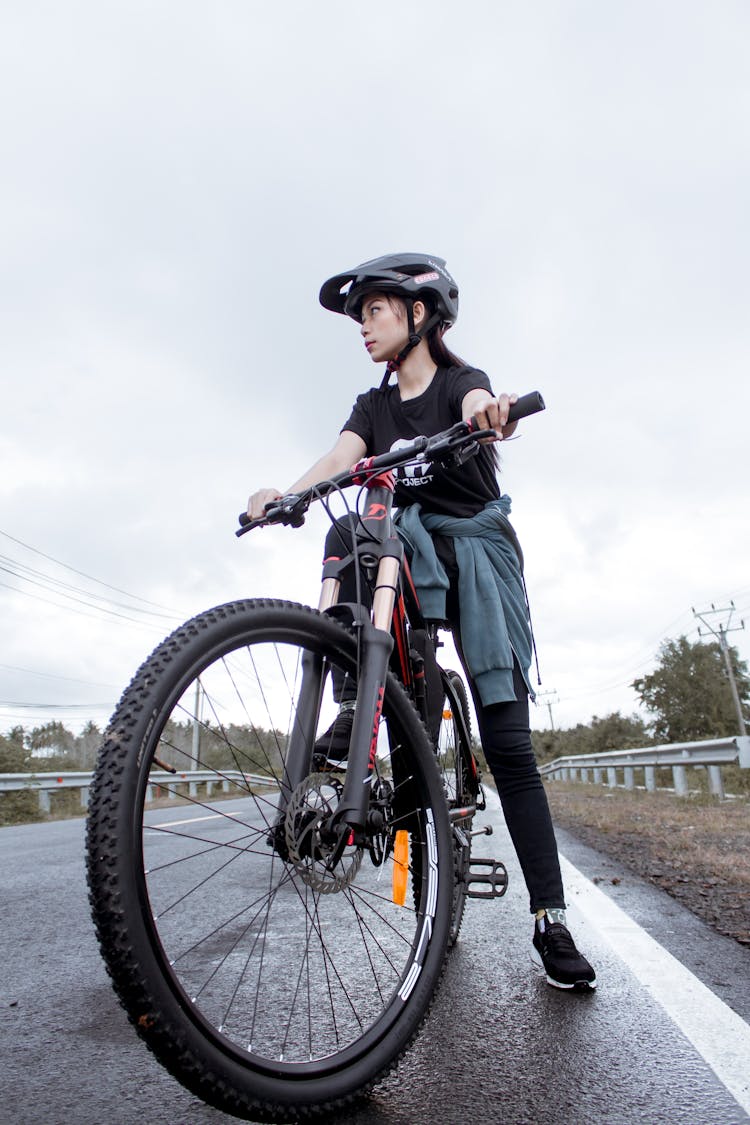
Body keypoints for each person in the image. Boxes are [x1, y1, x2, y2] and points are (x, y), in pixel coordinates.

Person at [247, 253, 596, 992]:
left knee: (508, 744)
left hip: (472, 555)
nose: (364, 326)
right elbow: (342, 458)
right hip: (404, 560)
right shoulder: (371, 410)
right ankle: (356, 710)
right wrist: (286, 493)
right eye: (362, 314)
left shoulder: (456, 383)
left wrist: (491, 413)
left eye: (375, 310)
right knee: (350, 531)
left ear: (420, 314)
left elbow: (476, 406)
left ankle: (550, 917)